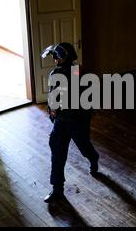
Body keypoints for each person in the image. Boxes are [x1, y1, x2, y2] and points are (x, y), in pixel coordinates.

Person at [40, 42, 100, 203]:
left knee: (84, 147)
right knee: (57, 153)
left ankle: (94, 158)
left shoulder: (79, 73)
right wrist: (52, 113)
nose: (54, 59)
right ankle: (57, 188)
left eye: (56, 57)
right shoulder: (55, 73)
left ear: (64, 57)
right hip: (61, 122)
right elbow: (53, 96)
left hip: (77, 121)